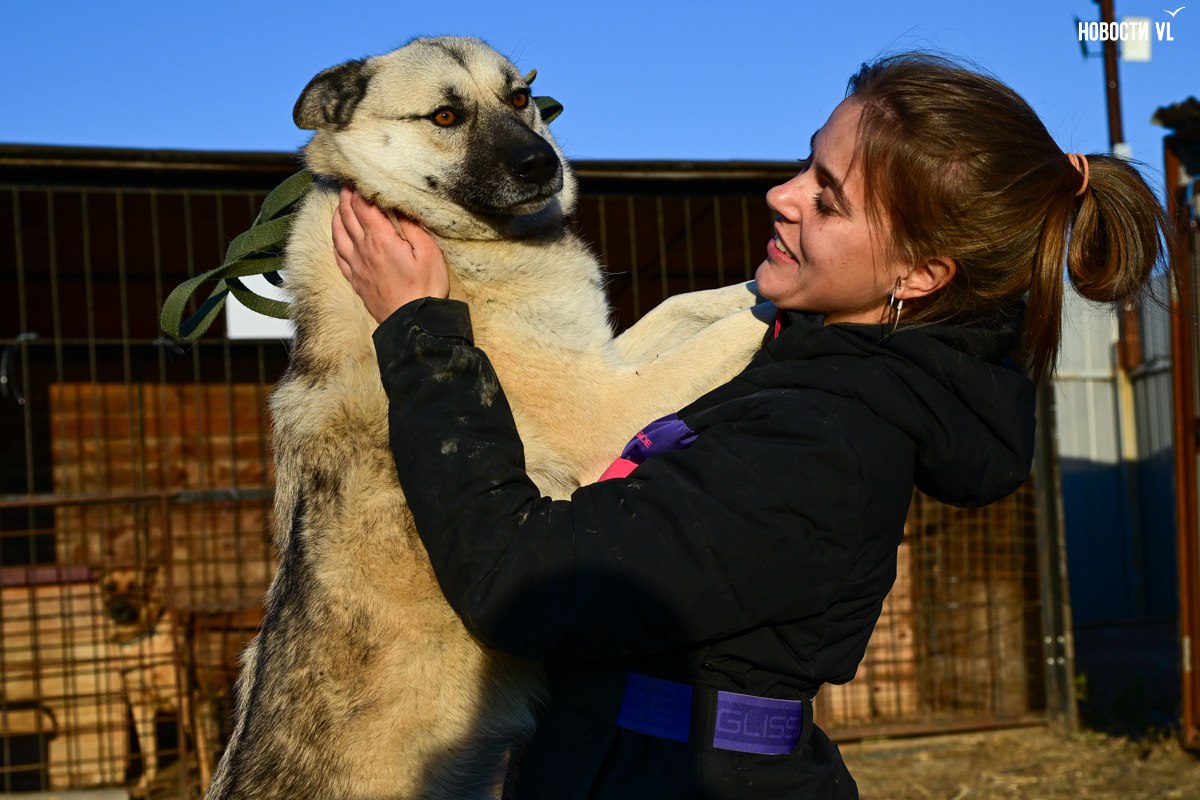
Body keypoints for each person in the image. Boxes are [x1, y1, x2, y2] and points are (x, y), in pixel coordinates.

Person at [331, 53, 1167, 799]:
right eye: (809, 163)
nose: (781, 194)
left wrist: (421, 334)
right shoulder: (800, 373)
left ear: (920, 274)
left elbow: (521, 584)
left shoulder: (824, 444)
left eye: (827, 199)